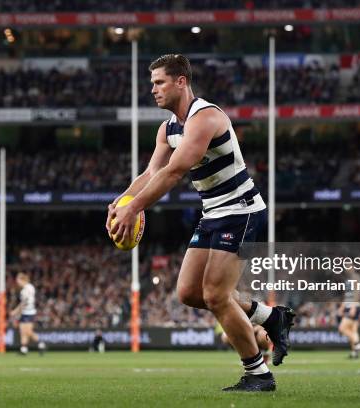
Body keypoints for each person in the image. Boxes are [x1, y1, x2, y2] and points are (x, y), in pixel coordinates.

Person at [107, 54, 295, 392]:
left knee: (215, 295)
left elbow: (175, 172)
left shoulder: (205, 117)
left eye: (160, 82)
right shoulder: (168, 128)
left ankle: (258, 374)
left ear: (181, 81)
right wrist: (121, 200)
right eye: (152, 84)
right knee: (189, 292)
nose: (153, 90)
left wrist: (134, 208)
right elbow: (151, 173)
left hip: (241, 210)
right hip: (214, 213)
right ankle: (270, 318)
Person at [11, 273, 46, 356]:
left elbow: (24, 303)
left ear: (22, 280)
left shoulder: (26, 290)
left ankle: (41, 344)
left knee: (28, 332)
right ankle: (24, 349)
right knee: (22, 332)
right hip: (26, 312)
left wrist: (16, 311)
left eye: (18, 280)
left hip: (29, 312)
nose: (17, 282)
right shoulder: (30, 287)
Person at [338, 268, 360, 359]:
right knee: (353, 331)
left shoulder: (356, 277)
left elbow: (357, 293)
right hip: (349, 306)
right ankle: (354, 352)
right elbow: (347, 295)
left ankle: (358, 344)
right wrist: (342, 307)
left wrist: (353, 306)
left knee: (342, 328)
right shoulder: (347, 280)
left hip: (353, 306)